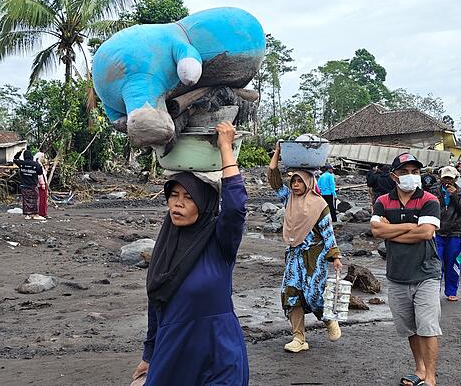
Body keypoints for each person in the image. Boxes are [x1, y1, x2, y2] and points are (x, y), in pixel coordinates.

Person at [132, 122, 248, 385]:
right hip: (174, 353)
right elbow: (156, 303)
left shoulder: (220, 243)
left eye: (189, 197)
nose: (178, 203)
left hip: (218, 353)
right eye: (173, 195)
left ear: (205, 202)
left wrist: (225, 148)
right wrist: (149, 354)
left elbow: (236, 207)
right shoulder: (166, 248)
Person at [370, 152, 442, 386]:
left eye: (415, 172)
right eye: (404, 172)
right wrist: (410, 226)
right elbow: (376, 232)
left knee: (427, 326)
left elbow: (426, 233)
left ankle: (430, 378)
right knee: (409, 327)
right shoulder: (382, 201)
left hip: (425, 272)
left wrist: (394, 231)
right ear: (394, 176)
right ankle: (419, 369)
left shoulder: (429, 199)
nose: (411, 176)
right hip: (397, 274)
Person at [268, 142, 342, 353]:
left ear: (309, 182)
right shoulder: (288, 199)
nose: (295, 185)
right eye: (293, 181)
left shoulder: (320, 205)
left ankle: (328, 319)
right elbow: (273, 179)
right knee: (291, 294)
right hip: (294, 255)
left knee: (314, 294)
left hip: (314, 256)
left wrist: (335, 256)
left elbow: (328, 232)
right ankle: (299, 338)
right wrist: (278, 152)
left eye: (300, 181)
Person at [431, 166, 461, 301]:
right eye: (445, 178)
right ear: (440, 178)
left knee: (453, 263)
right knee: (436, 263)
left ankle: (451, 291)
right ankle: (434, 291)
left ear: (455, 179)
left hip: (454, 232)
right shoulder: (433, 191)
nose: (447, 181)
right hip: (437, 232)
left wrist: (454, 196)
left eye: (450, 178)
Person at [13, 149, 44, 220]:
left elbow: (15, 159)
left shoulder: (21, 163)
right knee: (34, 200)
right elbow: (40, 172)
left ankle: (27, 215)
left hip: (24, 186)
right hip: (33, 185)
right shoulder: (36, 164)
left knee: (26, 200)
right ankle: (35, 214)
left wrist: (19, 152)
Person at [35, 151, 49, 218]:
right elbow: (39, 176)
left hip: (42, 183)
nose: (43, 158)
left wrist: (46, 170)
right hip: (41, 184)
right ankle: (42, 213)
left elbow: (43, 175)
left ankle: (43, 212)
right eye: (42, 157)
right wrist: (42, 183)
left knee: (43, 199)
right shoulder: (38, 165)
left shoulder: (39, 164)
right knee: (42, 199)